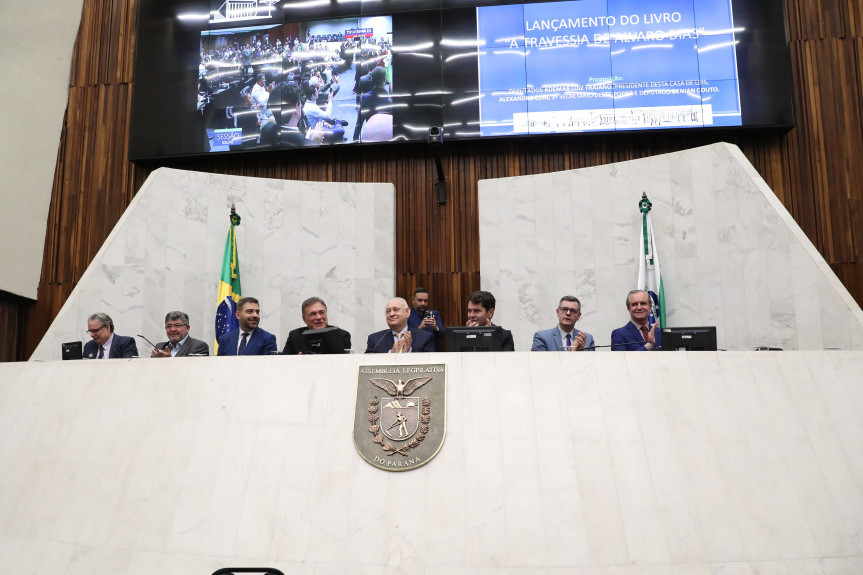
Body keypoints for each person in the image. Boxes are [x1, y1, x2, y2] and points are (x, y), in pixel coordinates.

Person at [282, 296, 352, 354]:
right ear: (304, 319)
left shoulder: (341, 335)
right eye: (312, 314)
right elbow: (283, 361)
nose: (319, 317)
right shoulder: (295, 336)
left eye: (322, 312)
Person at [366, 297, 436, 353]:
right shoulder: (375, 340)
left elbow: (431, 366)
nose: (391, 314)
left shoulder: (425, 338)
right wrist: (391, 355)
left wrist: (408, 354)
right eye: (388, 311)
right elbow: (366, 366)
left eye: (396, 310)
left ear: (407, 312)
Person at [407, 287, 444, 351]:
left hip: (433, 351)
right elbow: (404, 336)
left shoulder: (435, 314)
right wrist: (420, 328)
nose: (423, 303)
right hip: (415, 352)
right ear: (413, 300)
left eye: (425, 301)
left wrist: (435, 327)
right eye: (420, 300)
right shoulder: (407, 315)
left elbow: (442, 333)